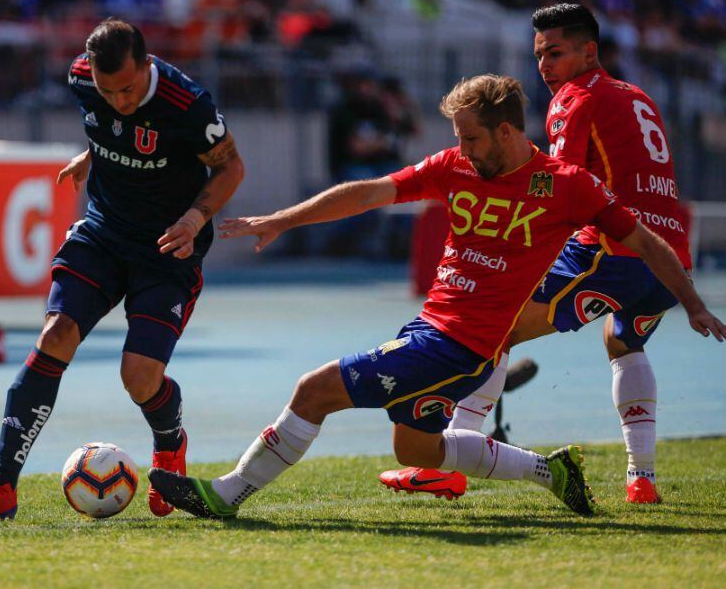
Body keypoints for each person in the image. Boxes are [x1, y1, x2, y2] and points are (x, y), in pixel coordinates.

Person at [147, 74, 724, 520]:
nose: (461, 148)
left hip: (459, 346)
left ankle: (225, 494)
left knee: (314, 390)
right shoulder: (455, 166)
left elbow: (644, 240)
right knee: (416, 449)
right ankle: (552, 472)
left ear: (507, 131)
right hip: (429, 328)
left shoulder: (564, 185)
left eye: (470, 137)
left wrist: (692, 303)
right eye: (458, 138)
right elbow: (370, 192)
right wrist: (283, 219)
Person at [380, 3, 699, 505]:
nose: (545, 67)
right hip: (667, 257)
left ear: (589, 51)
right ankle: (642, 479)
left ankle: (446, 463)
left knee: (493, 326)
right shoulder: (639, 96)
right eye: (539, 55)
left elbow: (555, 186)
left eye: (556, 53)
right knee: (623, 344)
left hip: (608, 251)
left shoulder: (573, 98)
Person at [0, 18, 244, 521]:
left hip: (168, 248)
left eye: (129, 89)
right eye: (110, 92)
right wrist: (93, 154)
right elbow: (114, 127)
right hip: (103, 234)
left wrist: (195, 217)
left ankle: (169, 446)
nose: (121, 101)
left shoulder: (187, 103)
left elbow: (231, 165)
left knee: (139, 378)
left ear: (147, 66)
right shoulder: (82, 78)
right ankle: (0, 486)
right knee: (56, 335)